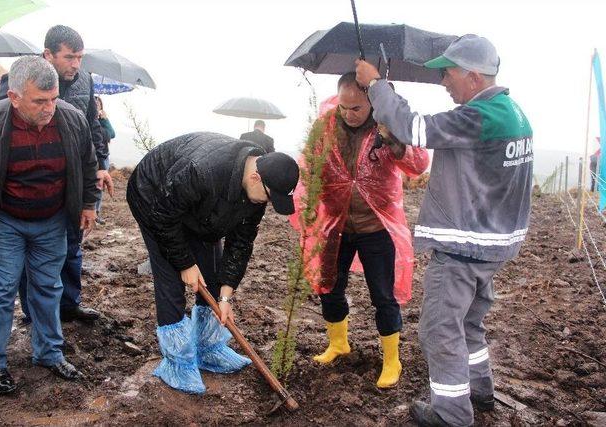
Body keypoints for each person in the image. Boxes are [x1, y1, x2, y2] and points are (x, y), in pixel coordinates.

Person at [356, 34, 533, 426]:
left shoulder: (481, 117)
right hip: (492, 247)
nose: (444, 81)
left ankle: (452, 415)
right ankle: (480, 390)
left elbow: (415, 127)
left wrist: (376, 86)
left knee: (440, 331)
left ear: (473, 76)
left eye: (448, 73)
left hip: (463, 250)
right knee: (469, 323)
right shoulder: (512, 113)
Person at [126, 132, 299, 394]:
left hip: (199, 208)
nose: (268, 203)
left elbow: (241, 243)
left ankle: (209, 349)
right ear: (255, 177)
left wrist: (226, 295)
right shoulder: (202, 170)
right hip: (154, 198)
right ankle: (178, 362)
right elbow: (164, 216)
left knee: (212, 273)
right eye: (269, 197)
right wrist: (184, 263)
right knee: (171, 279)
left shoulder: (257, 192)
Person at [0, 56, 99, 393]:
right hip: (5, 220)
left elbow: (87, 161)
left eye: (53, 98)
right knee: (0, 290)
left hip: (52, 218)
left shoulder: (71, 119)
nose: (49, 107)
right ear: (13, 97)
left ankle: (49, 353)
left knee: (47, 288)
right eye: (40, 100)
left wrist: (87, 204)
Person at [293, 72, 429, 389]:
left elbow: (419, 164)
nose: (349, 114)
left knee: (384, 295)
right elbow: (309, 165)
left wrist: (395, 143)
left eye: (357, 108)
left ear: (372, 103)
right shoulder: (325, 125)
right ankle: (338, 343)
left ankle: (391, 360)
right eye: (344, 107)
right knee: (329, 286)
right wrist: (308, 199)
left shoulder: (390, 125)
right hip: (334, 224)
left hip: (376, 226)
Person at [0, 25, 112, 323]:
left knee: (71, 244)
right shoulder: (18, 80)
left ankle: (69, 304)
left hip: (71, 179)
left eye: (80, 57)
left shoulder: (84, 80)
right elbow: (0, 129)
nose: (76, 64)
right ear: (48, 55)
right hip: (29, 183)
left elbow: (92, 125)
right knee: (31, 253)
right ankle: (34, 310)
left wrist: (100, 165)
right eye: (69, 57)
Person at [94, 95, 115, 224]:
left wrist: (104, 120)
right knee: (94, 185)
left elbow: (111, 133)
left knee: (101, 185)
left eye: (99, 105)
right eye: (95, 104)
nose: (97, 106)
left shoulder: (102, 120)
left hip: (104, 156)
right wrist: (102, 132)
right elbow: (103, 134)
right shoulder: (88, 119)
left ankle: (97, 212)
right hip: (92, 157)